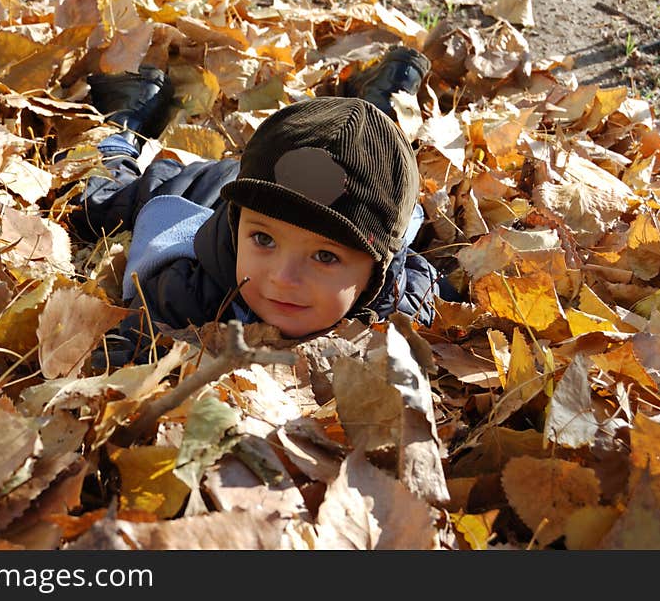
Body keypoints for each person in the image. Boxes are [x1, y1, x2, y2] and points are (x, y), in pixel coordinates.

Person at [70, 47, 447, 365]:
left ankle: (385, 100)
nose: (283, 277)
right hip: (203, 190)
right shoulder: (192, 291)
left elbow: (435, 287)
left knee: (402, 204)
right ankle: (125, 117)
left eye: (325, 257)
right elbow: (121, 354)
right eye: (263, 239)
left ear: (375, 274)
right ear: (238, 229)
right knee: (93, 206)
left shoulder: (400, 302)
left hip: (348, 205)